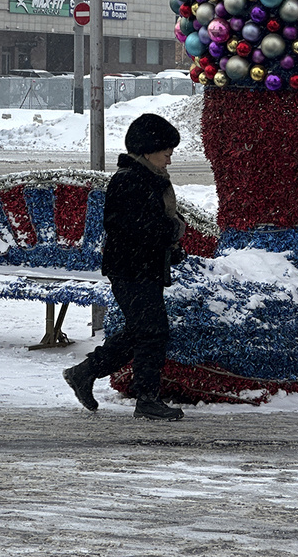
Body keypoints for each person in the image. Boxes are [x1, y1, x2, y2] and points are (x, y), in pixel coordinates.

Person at [63, 113, 187, 421]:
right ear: (148, 150)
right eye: (166, 152)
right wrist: (171, 231)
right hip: (131, 269)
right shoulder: (130, 180)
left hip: (142, 268)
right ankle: (146, 398)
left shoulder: (148, 178)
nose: (169, 159)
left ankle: (85, 372)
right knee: (153, 332)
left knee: (141, 331)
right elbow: (132, 227)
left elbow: (147, 226)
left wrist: (170, 247)